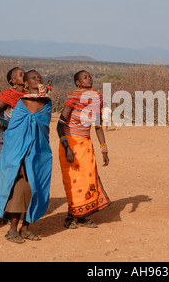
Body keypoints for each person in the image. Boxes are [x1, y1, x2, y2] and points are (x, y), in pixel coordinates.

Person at [0, 70, 52, 243]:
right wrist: (16, 160)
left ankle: (26, 228)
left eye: (39, 78)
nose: (38, 80)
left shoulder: (46, 104)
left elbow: (44, 131)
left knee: (35, 191)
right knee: (19, 192)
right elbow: (13, 134)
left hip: (40, 154)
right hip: (19, 155)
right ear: (25, 85)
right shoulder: (21, 103)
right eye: (33, 78)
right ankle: (12, 230)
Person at [57, 70, 111, 229]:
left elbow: (98, 126)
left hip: (86, 145)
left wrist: (104, 149)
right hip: (70, 144)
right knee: (73, 182)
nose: (89, 79)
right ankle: (70, 217)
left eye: (90, 76)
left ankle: (82, 216)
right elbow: (59, 125)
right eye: (85, 77)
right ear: (78, 83)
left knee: (88, 179)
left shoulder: (97, 97)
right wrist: (66, 146)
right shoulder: (73, 97)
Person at [0, 67, 25, 224]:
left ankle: (10, 209)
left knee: (16, 175)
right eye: (20, 74)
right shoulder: (8, 95)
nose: (24, 75)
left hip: (18, 142)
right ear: (12, 81)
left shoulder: (29, 97)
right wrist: (6, 125)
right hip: (0, 140)